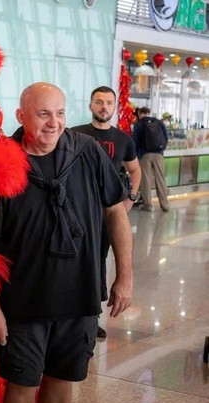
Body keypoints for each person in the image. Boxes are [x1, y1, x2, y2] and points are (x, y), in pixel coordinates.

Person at [0, 83, 133, 403]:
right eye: (43, 114)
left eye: (60, 113)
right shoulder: (3, 159)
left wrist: (125, 277)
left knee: (63, 377)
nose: (54, 123)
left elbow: (116, 212)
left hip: (78, 291)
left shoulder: (86, 152)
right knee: (22, 382)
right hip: (21, 296)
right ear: (21, 116)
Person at [73, 86, 140, 339]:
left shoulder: (124, 140)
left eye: (109, 103)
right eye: (99, 102)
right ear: (90, 105)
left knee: (98, 262)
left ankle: (93, 317)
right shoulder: (75, 134)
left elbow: (135, 170)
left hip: (108, 213)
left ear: (115, 107)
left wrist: (130, 198)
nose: (104, 106)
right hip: (79, 212)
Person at [133, 107, 169, 212]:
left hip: (145, 155)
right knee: (160, 179)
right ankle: (164, 204)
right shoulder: (159, 122)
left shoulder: (139, 125)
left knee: (146, 179)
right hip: (159, 154)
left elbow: (135, 141)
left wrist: (135, 155)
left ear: (140, 114)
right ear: (149, 113)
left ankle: (148, 205)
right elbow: (165, 138)